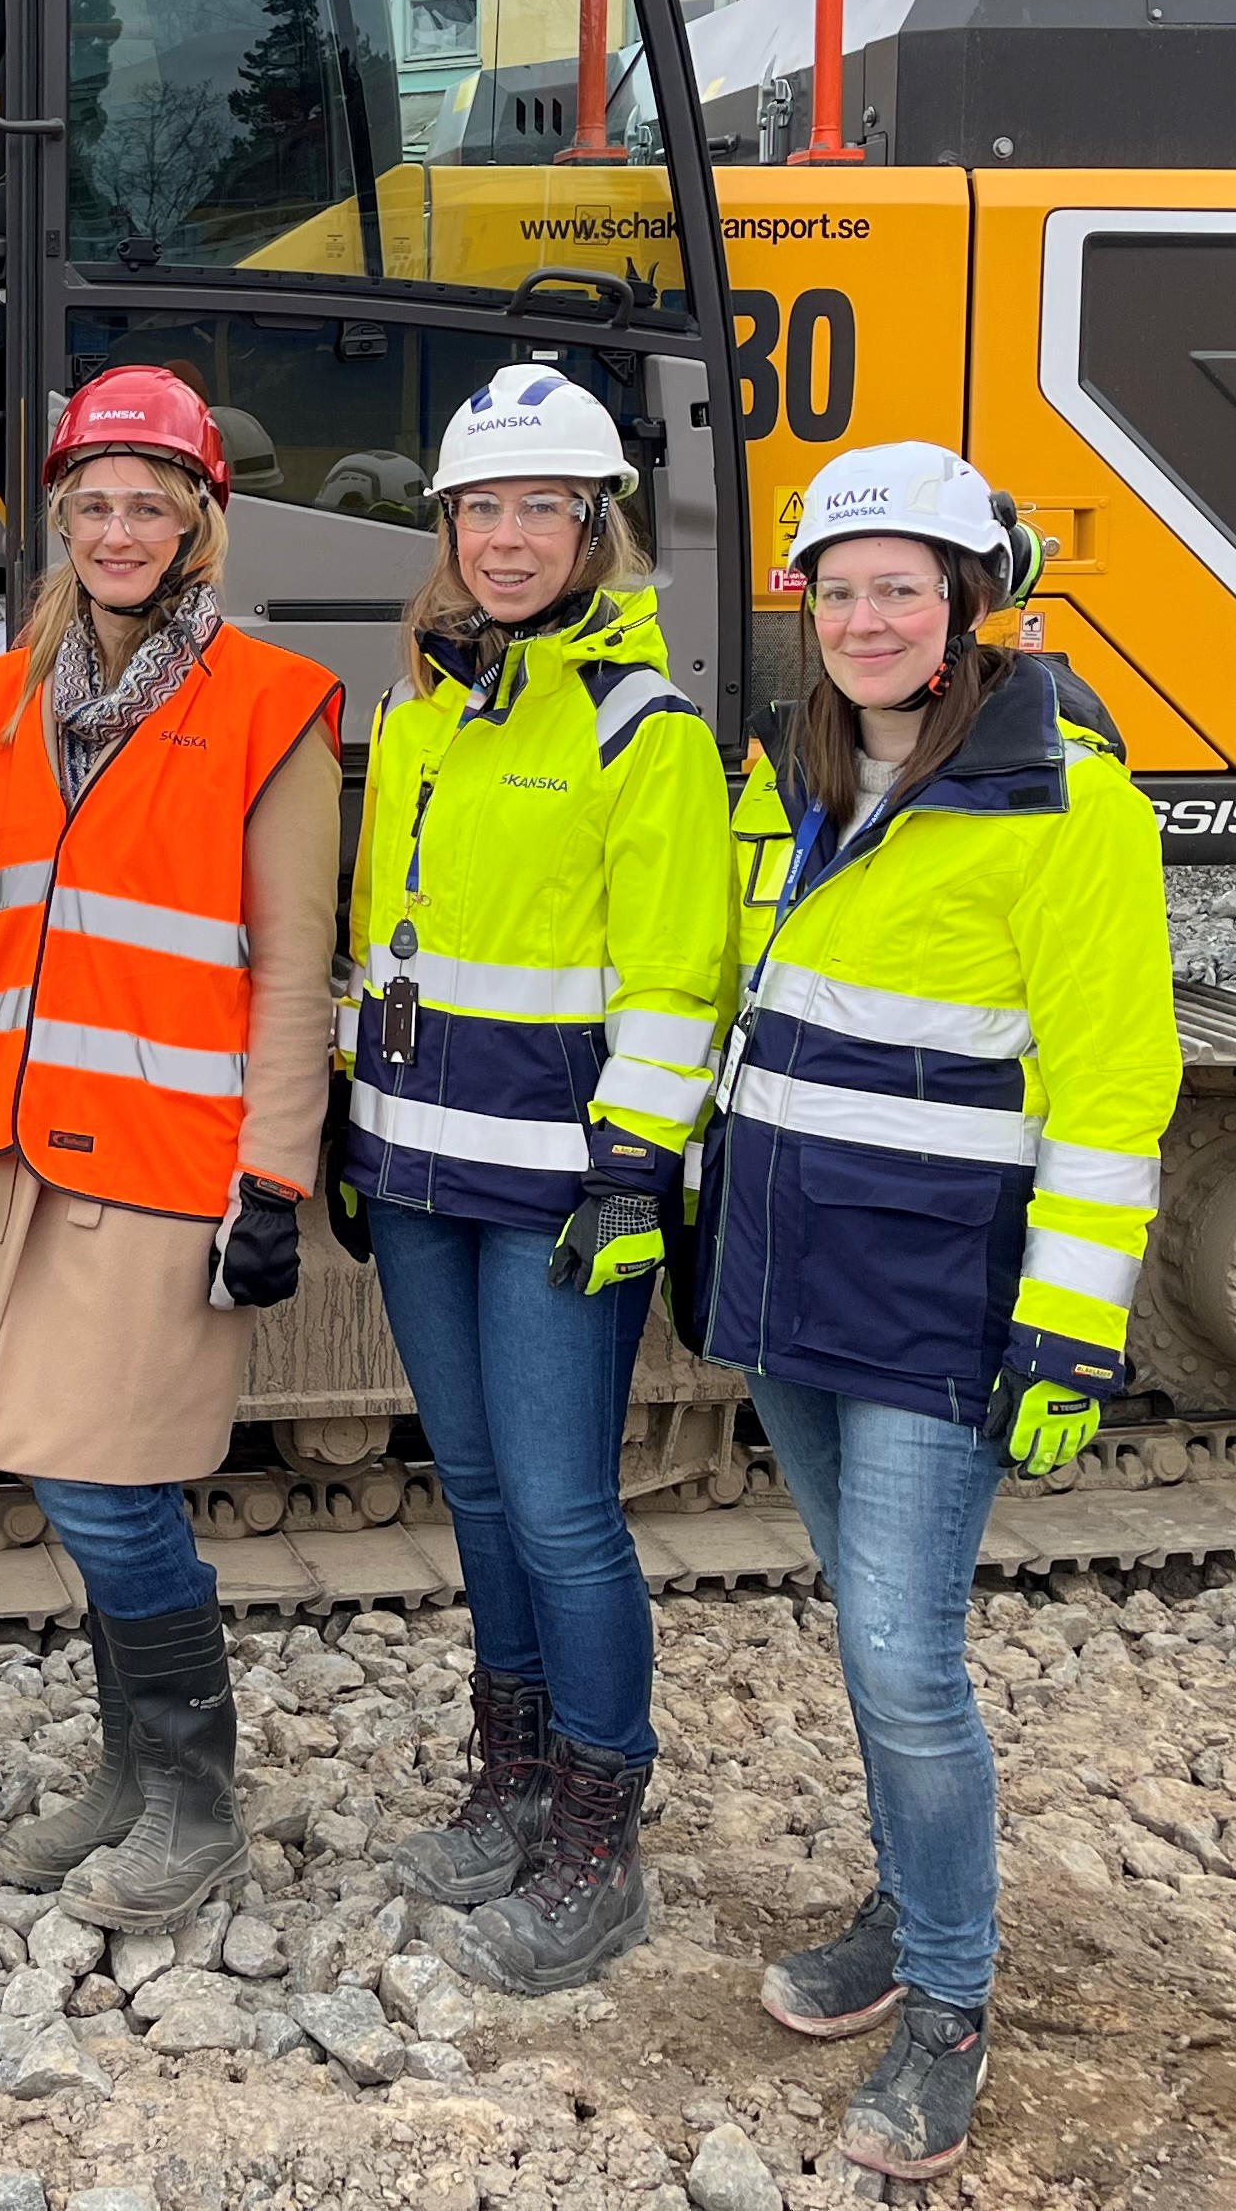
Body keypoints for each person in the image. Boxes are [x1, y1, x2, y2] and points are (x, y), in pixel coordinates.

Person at [695, 439, 1176, 2182]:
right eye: (841, 591)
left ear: (976, 607)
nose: (870, 617)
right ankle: (906, 1915)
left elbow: (1114, 1089)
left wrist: (1067, 1331)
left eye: (907, 587)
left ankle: (952, 2003)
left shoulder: (1071, 809)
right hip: (803, 1282)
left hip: (939, 1300)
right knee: (865, 1630)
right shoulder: (814, 780)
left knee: (908, 1662)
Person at [334, 369, 728, 1994]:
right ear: (448, 530)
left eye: (538, 512)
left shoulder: (648, 732)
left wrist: (636, 1166)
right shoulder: (422, 721)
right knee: (482, 1494)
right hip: (425, 1177)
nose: (505, 540)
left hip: (566, 1195)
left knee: (566, 1513)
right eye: (481, 512)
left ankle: (598, 1831)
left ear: (594, 530)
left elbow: (675, 975)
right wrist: (358, 1126)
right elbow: (387, 954)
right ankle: (508, 1783)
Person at [0, 364, 341, 1931]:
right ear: (64, 520)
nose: (119, 528)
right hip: (20, 1149)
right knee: (59, 1466)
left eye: (148, 503)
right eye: (93, 504)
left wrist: (275, 1176)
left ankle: (190, 1796)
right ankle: (126, 1771)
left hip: (167, 1160)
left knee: (117, 1489)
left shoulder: (269, 704)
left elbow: (295, 964)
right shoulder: (0, 697)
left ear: (199, 523)